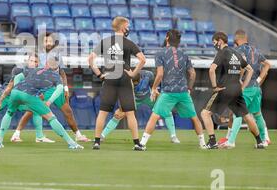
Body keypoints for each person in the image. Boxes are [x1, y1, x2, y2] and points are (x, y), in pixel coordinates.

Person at [10, 32, 90, 143]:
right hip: (42, 89)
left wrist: (65, 88)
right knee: (31, 111)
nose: (48, 43)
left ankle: (78, 135)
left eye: (50, 41)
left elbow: (62, 72)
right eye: (46, 41)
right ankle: (16, 134)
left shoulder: (58, 55)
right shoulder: (37, 55)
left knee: (68, 111)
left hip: (56, 88)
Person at [0, 57, 84, 150]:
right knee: (51, 118)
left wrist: (1, 99)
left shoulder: (36, 69)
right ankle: (72, 143)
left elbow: (18, 77)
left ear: (46, 65)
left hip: (15, 92)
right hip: (29, 95)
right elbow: (60, 89)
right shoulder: (56, 76)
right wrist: (49, 102)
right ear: (57, 67)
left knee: (9, 113)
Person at [139, 30, 207, 150]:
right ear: (179, 41)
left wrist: (154, 88)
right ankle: (202, 144)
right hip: (183, 92)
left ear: (166, 38)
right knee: (194, 117)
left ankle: (142, 144)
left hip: (169, 92)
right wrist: (189, 88)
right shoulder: (184, 54)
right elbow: (192, 73)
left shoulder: (160, 54)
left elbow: (160, 74)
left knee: (154, 116)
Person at [88, 16, 146, 151]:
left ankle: (97, 142)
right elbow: (142, 60)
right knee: (130, 113)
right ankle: (137, 143)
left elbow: (90, 59)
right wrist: (133, 73)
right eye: (128, 26)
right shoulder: (128, 43)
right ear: (122, 27)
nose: (129, 28)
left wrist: (99, 74)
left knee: (103, 112)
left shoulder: (105, 41)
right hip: (124, 78)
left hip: (109, 78)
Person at [200, 32, 265, 149]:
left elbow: (211, 70)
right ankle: (260, 142)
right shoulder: (236, 53)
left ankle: (212, 142)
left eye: (214, 43)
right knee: (247, 116)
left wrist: (214, 87)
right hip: (236, 90)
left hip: (224, 89)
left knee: (205, 113)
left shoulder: (222, 52)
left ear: (220, 41)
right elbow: (249, 69)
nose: (214, 45)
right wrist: (243, 86)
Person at [0, 53, 53, 144]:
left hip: (20, 97)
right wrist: (0, 99)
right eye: (31, 60)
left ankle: (39, 136)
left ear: (37, 63)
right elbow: (11, 86)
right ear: (27, 61)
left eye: (35, 61)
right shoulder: (18, 70)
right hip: (6, 93)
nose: (33, 63)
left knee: (36, 110)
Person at [219, 29, 272, 148]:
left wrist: (239, 80)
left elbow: (242, 67)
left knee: (237, 114)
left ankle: (231, 141)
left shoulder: (237, 50)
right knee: (257, 114)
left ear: (236, 39)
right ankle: (264, 140)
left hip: (246, 87)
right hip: (256, 88)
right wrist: (259, 80)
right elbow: (268, 64)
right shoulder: (255, 50)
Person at [100, 70, 182, 144]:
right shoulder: (124, 79)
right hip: (133, 99)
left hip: (148, 97)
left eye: (136, 83)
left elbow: (154, 87)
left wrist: (156, 93)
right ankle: (102, 136)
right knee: (118, 115)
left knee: (167, 111)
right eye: (133, 83)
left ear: (140, 79)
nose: (134, 85)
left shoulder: (148, 75)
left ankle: (173, 137)